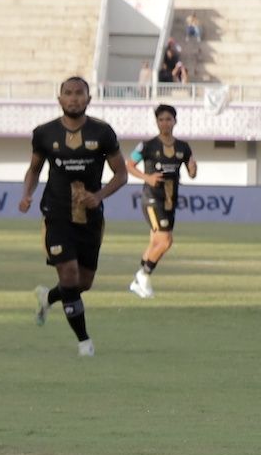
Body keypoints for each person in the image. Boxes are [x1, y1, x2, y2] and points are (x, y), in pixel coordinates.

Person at [19, 77, 129, 355]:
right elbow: (34, 169)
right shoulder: (44, 133)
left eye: (79, 93)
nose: (73, 98)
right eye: (68, 93)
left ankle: (48, 296)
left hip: (90, 217)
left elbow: (121, 173)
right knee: (68, 274)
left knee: (83, 283)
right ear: (59, 99)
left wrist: (99, 196)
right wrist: (27, 194)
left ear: (89, 99)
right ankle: (84, 342)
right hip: (56, 213)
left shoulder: (103, 133)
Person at [127, 103, 195, 299]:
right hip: (151, 198)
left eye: (168, 119)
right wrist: (147, 178)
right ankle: (143, 274)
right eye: (161, 119)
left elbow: (191, 173)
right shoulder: (147, 145)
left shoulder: (183, 147)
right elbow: (129, 165)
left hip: (169, 200)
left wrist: (193, 168)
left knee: (156, 241)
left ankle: (138, 282)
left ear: (175, 121)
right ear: (156, 122)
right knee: (166, 241)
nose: (165, 123)